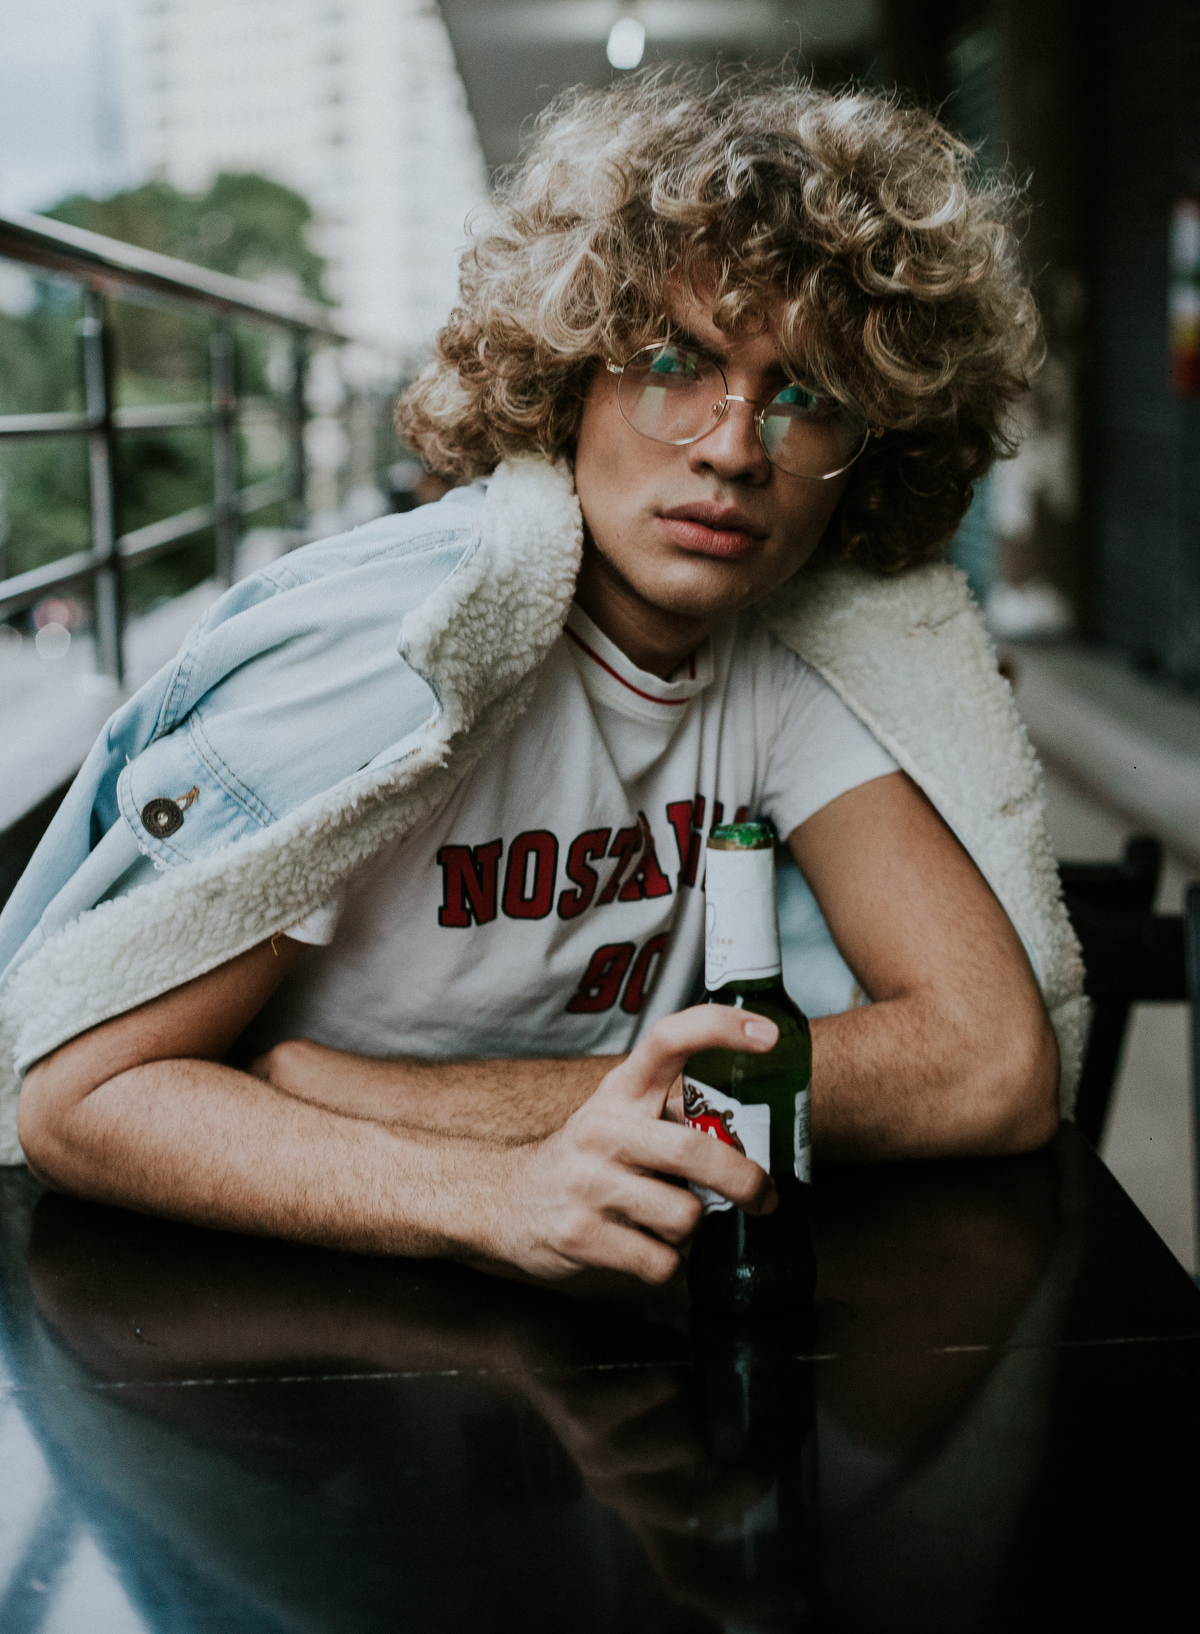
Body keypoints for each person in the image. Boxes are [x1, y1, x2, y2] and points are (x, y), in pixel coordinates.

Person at [0, 71, 1083, 1287]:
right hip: (261, 1312)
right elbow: (79, 1097)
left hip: (598, 1309)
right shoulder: (399, 660)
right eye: (676, 361)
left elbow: (992, 1066)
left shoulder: (778, 665)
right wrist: (496, 1191)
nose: (732, 447)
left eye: (807, 397)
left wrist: (423, 1105)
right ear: (570, 381)